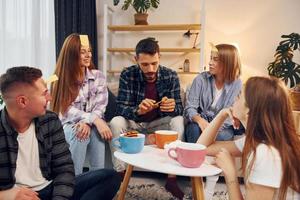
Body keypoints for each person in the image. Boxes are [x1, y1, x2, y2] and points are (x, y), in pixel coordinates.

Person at [0, 66, 121, 200]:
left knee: (110, 177)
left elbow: (64, 169)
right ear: (23, 101)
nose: (50, 97)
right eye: (44, 93)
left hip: (50, 189)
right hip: (16, 196)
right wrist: (5, 195)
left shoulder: (50, 120)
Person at [197, 76, 300, 200]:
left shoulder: (267, 154)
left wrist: (230, 174)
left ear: (249, 112)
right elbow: (202, 148)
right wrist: (221, 115)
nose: (235, 98)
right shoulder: (255, 141)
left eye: (239, 95)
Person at [109, 37, 185, 199]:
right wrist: (138, 111)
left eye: (154, 63)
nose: (150, 69)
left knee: (178, 120)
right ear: (136, 59)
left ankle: (171, 179)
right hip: (135, 124)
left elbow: (180, 109)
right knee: (116, 122)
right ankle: (120, 176)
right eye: (145, 64)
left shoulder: (170, 75)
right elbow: (120, 108)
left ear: (159, 58)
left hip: (159, 125)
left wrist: (172, 107)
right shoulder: (128, 74)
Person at [50, 34, 113, 175]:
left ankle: (98, 180)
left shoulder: (98, 76)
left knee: (95, 132)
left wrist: (88, 121)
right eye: (82, 52)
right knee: (81, 133)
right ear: (72, 54)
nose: (88, 55)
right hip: (66, 126)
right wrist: (94, 120)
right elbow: (66, 111)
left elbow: (100, 106)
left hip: (89, 124)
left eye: (89, 51)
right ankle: (74, 181)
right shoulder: (57, 79)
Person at [184, 44, 243, 143]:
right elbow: (190, 108)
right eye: (211, 58)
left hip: (222, 126)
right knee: (193, 130)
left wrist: (211, 129)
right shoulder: (200, 79)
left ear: (227, 63)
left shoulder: (237, 84)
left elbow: (231, 115)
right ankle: (194, 157)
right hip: (200, 121)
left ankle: (208, 157)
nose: (210, 63)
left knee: (222, 136)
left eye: (215, 59)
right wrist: (199, 120)